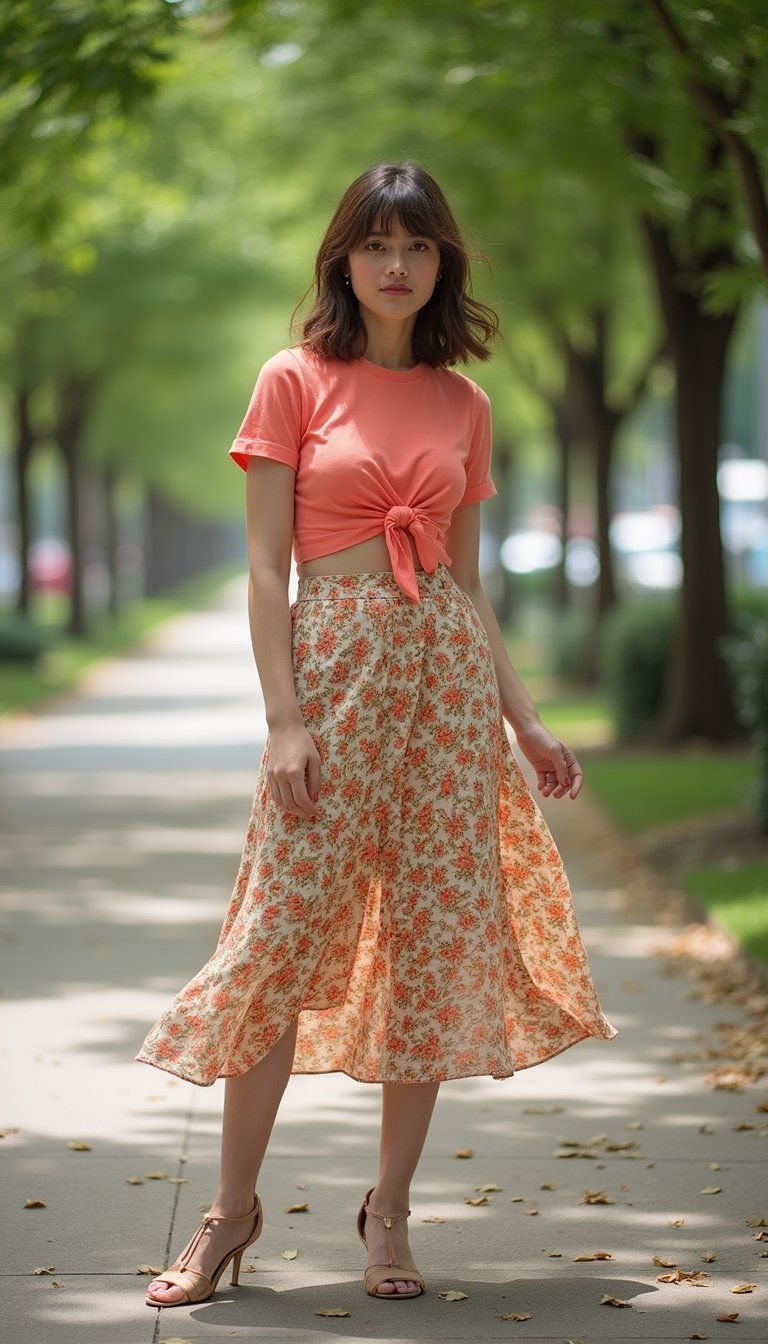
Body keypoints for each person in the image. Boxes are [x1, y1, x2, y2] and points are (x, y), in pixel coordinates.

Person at [136, 160, 617, 1310]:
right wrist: (284, 720)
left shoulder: (465, 403)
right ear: (343, 260)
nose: (396, 268)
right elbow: (265, 567)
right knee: (276, 940)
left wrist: (527, 719)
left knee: (429, 948)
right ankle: (229, 1215)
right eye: (375, 246)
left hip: (445, 692)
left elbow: (466, 583)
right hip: (336, 679)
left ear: (442, 263)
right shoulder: (293, 379)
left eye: (417, 248)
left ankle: (390, 1212)